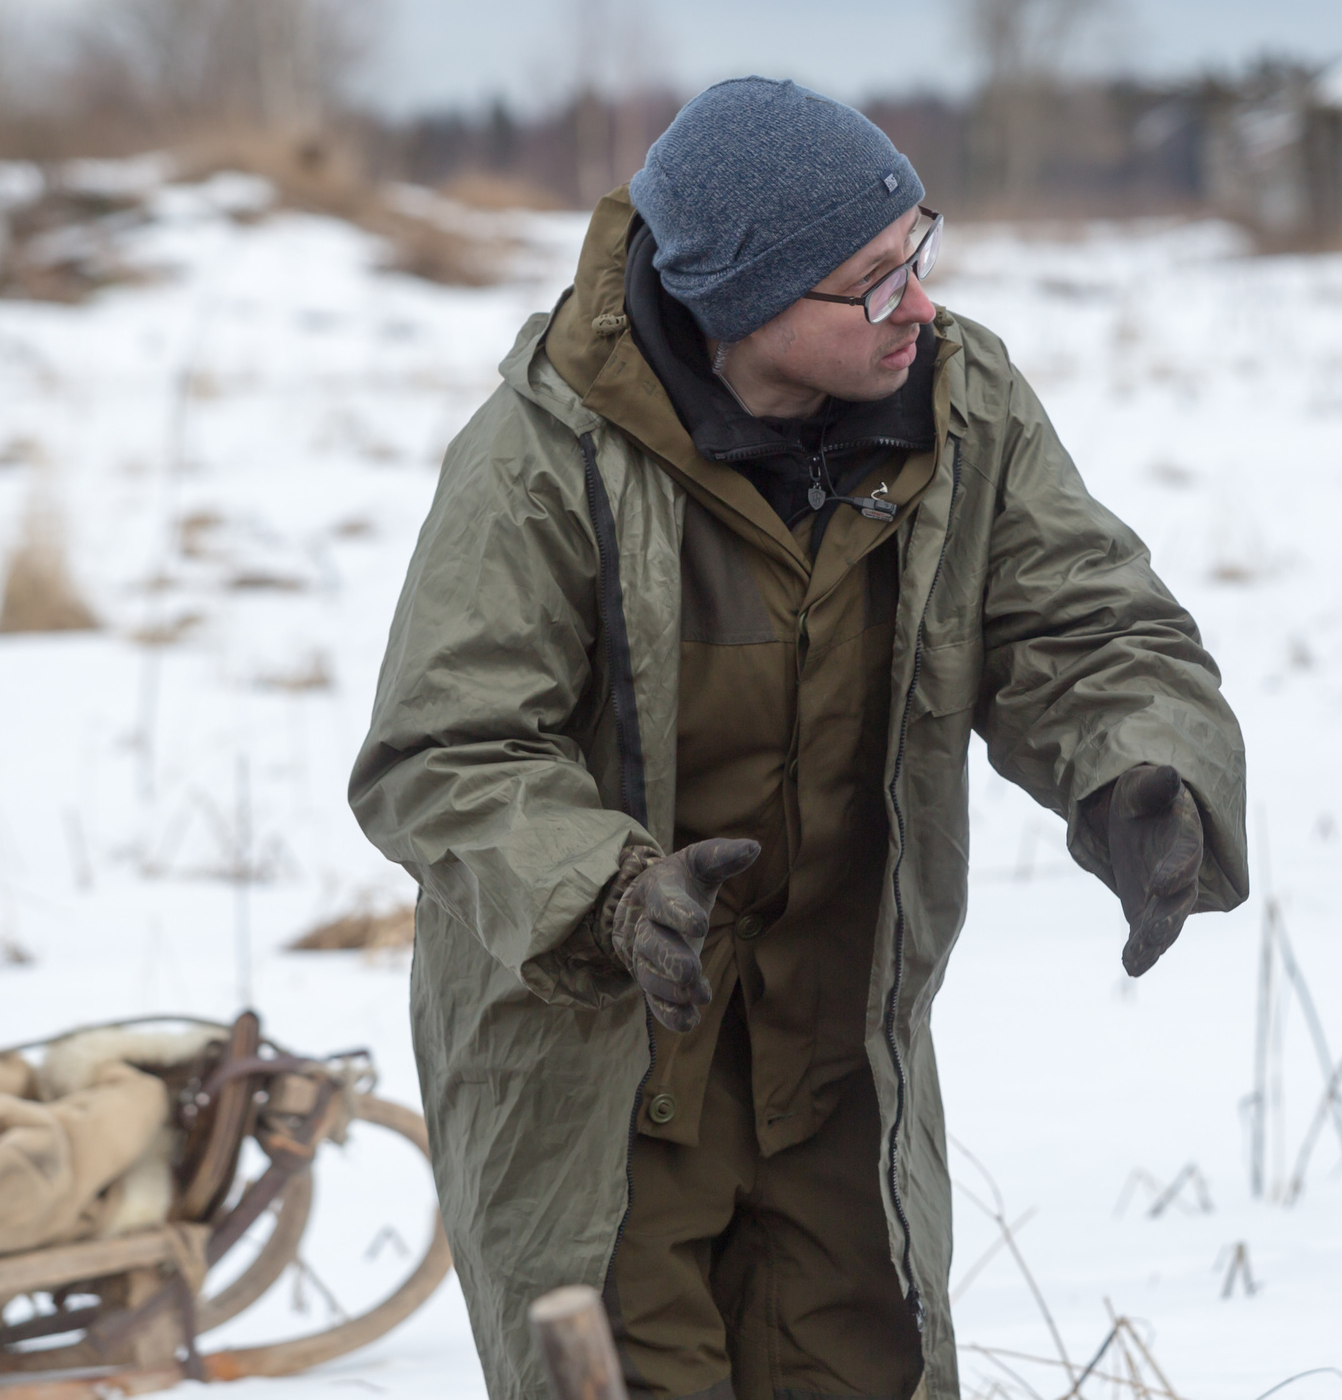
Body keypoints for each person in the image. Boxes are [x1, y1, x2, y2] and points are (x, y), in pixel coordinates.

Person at [352, 77, 1246, 1400]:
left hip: (837, 1074)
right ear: (746, 305)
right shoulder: (545, 456)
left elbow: (1087, 627)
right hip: (593, 1086)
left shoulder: (961, 410)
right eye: (873, 284)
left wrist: (1139, 771)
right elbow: (447, 749)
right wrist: (607, 892)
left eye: (918, 255)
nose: (922, 306)